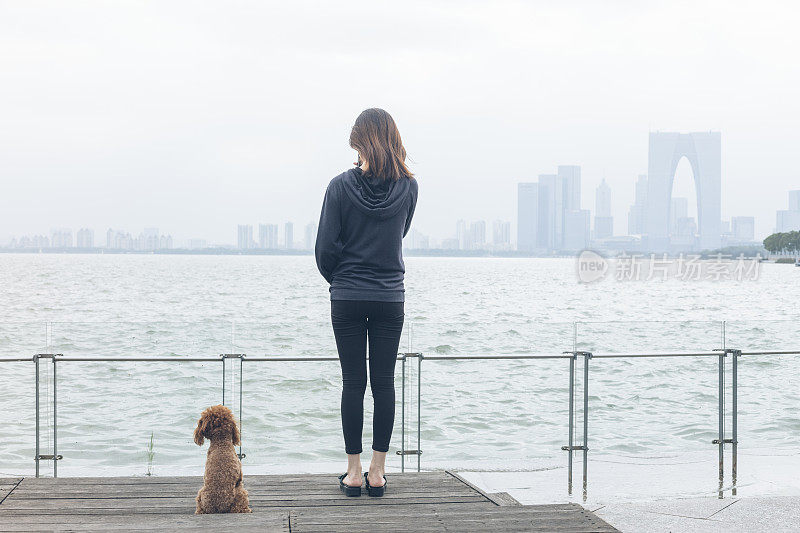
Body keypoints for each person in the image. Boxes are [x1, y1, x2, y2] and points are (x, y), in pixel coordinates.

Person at [315, 108, 418, 497]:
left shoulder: (338, 186)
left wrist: (342, 281)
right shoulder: (409, 187)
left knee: (353, 383)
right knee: (385, 384)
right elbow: (399, 232)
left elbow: (324, 248)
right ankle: (378, 472)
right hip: (390, 296)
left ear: (360, 142)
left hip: (348, 296)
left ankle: (353, 473)